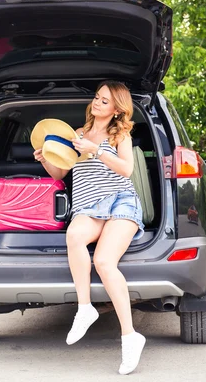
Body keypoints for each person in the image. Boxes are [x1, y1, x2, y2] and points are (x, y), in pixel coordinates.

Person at [33, 80, 146, 375]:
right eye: (97, 97)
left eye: (105, 101)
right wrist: (46, 159)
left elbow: (126, 169)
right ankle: (85, 308)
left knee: (105, 262)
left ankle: (130, 337)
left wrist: (96, 150)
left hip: (120, 202)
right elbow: (61, 172)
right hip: (88, 206)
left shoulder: (120, 134)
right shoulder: (77, 134)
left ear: (117, 109)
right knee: (74, 236)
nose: (97, 103)